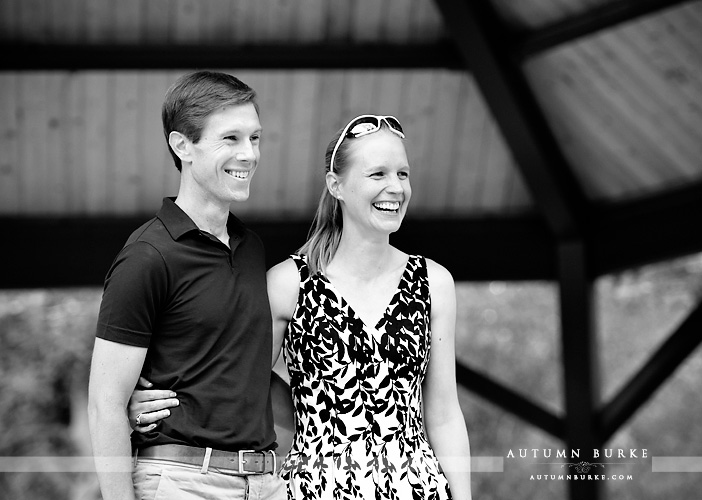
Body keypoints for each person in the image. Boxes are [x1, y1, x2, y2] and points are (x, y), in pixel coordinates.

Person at [132, 114, 473, 499]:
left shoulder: (434, 282)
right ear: (336, 186)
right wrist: (144, 405)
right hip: (314, 489)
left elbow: (444, 414)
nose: (395, 187)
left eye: (403, 174)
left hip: (419, 489)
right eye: (378, 175)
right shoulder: (289, 283)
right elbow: (236, 385)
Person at [88, 70, 286, 500]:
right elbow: (105, 403)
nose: (249, 154)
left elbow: (242, 375)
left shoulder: (251, 248)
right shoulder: (147, 256)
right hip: (183, 483)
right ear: (183, 146)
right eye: (230, 139)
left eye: (255, 138)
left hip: (265, 483)